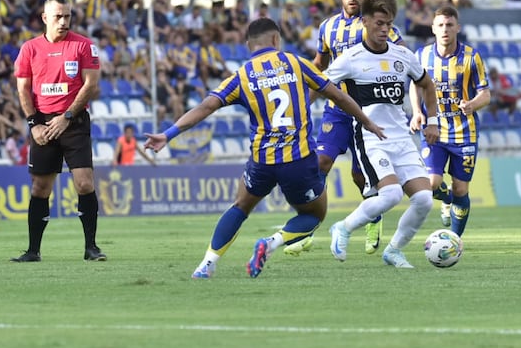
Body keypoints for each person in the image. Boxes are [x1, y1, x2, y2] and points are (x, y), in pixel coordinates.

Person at [144, 18, 384, 279]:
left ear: (249, 45)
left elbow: (205, 107)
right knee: (314, 214)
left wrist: (167, 135)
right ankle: (271, 243)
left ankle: (207, 264)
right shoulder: (297, 64)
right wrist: (367, 121)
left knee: (240, 206)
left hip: (261, 161)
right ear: (276, 40)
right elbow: (337, 95)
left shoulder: (242, 75)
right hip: (298, 160)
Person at [327, 0, 439, 269]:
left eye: (389, 24)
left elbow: (426, 84)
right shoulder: (351, 58)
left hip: (402, 137)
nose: (384, 29)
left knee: (425, 199)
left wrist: (432, 120)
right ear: (364, 21)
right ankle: (343, 227)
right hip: (370, 137)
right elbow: (322, 85)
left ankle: (394, 250)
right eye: (379, 23)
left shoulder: (403, 55)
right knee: (390, 195)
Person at [307, 0, 407, 257]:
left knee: (360, 177)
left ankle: (373, 217)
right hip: (336, 109)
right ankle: (308, 223)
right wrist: (304, 94)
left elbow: (402, 56)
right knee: (322, 161)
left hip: (370, 111)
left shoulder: (376, 24)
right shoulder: (327, 27)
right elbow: (320, 64)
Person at [11, 0, 107, 263]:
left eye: (67, 16)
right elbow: (23, 89)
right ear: (44, 18)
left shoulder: (85, 46)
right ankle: (33, 251)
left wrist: (66, 116)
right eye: (58, 16)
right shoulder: (29, 48)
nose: (64, 21)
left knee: (84, 182)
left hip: (73, 122)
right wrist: (34, 125)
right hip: (42, 123)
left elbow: (91, 85)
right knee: (40, 188)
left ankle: (91, 247)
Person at [410, 5, 490, 235]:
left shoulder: (471, 57)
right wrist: (417, 111)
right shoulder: (422, 56)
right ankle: (445, 199)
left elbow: (486, 93)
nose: (445, 29)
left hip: (464, 132)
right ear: (433, 29)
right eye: (441, 25)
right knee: (432, 183)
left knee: (461, 189)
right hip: (434, 129)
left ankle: (454, 240)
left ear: (458, 28)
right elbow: (414, 86)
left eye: (449, 25)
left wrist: (472, 104)